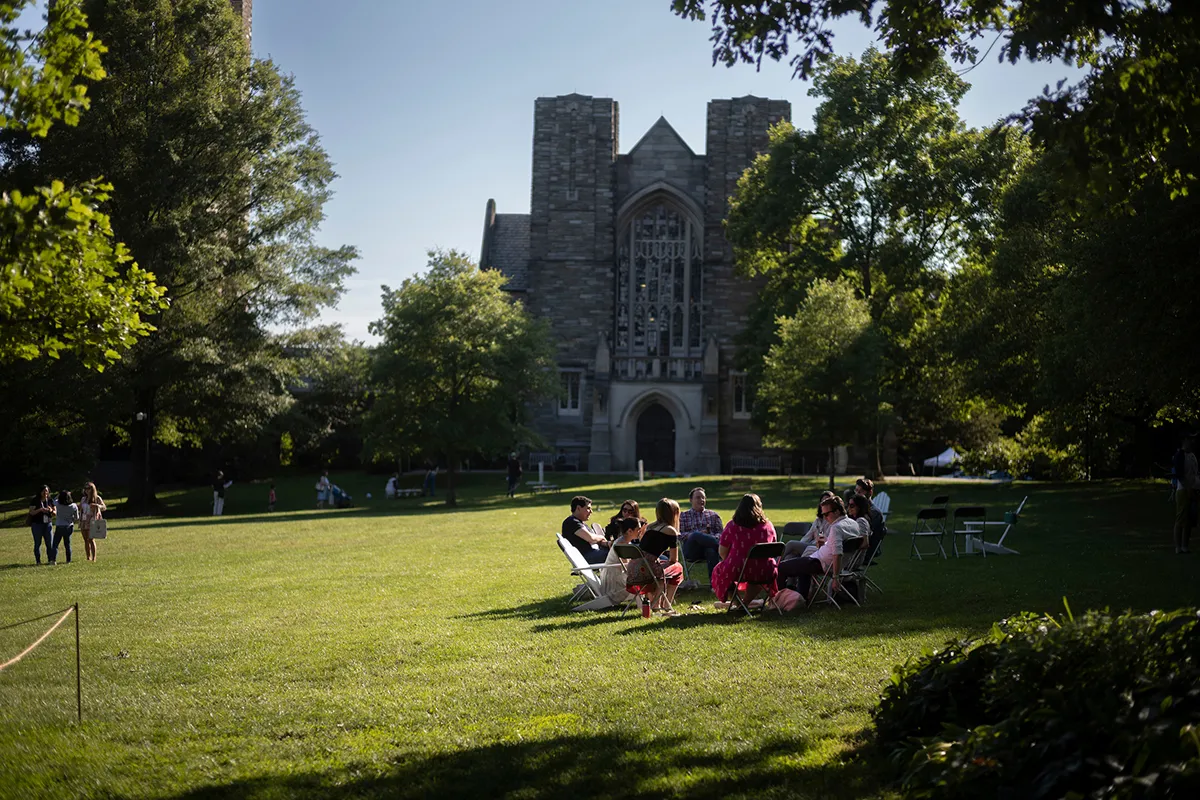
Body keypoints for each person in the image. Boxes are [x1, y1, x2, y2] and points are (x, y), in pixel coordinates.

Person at [778, 495, 858, 600]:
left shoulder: (836, 528)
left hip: (821, 563)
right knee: (801, 564)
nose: (824, 517)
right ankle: (801, 597)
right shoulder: (853, 524)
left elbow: (837, 554)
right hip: (820, 559)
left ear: (837, 512)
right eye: (823, 514)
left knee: (781, 567)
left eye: (827, 514)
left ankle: (779, 599)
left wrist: (836, 577)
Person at [710, 493, 778, 608]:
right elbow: (774, 547)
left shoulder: (733, 526)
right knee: (757, 576)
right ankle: (745, 603)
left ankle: (739, 603)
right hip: (766, 569)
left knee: (719, 571)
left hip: (738, 568)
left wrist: (732, 560)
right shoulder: (768, 526)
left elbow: (722, 551)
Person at [631, 498, 685, 616]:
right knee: (678, 568)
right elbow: (673, 559)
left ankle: (658, 604)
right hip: (649, 569)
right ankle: (665, 605)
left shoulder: (650, 527)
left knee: (661, 570)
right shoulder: (670, 530)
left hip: (634, 567)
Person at [678, 486, 723, 584]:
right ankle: (720, 547)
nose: (701, 500)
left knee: (711, 551)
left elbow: (721, 534)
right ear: (691, 500)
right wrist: (695, 535)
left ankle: (714, 585)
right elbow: (679, 535)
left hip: (710, 549)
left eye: (703, 498)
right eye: (698, 497)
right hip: (692, 550)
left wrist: (711, 538)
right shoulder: (683, 516)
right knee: (696, 535)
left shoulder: (713, 515)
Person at [599, 516, 643, 607]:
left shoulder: (625, 541)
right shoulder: (622, 544)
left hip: (617, 573)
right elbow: (627, 567)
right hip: (614, 581)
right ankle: (644, 606)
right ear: (629, 531)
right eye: (638, 529)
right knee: (643, 579)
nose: (640, 532)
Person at [561, 495, 609, 564]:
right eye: (588, 508)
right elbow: (591, 538)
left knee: (616, 552)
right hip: (586, 557)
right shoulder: (572, 522)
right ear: (578, 508)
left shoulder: (579, 522)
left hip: (591, 554)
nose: (591, 511)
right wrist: (601, 537)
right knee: (616, 554)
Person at [1174, 434, 1198, 554]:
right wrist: (1188, 488)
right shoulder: (1180, 455)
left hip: (1193, 488)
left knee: (1190, 519)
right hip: (1183, 489)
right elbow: (1179, 475)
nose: (1192, 442)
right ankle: (1178, 546)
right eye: (1189, 439)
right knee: (1181, 518)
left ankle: (1185, 545)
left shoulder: (1192, 456)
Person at [79, 482, 106, 562]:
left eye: (89, 488)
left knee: (91, 539)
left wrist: (97, 506)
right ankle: (88, 557)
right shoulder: (83, 499)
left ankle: (94, 558)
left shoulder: (97, 498)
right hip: (83, 520)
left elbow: (104, 507)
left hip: (92, 520)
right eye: (86, 488)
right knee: (85, 540)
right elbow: (81, 507)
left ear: (92, 489)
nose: (87, 490)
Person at [28, 485, 54, 565]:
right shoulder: (35, 500)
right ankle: (38, 561)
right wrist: (40, 510)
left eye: (46, 491)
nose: (45, 493)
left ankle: (50, 560)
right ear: (40, 492)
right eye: (43, 491)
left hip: (48, 524)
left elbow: (55, 512)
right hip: (37, 524)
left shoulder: (50, 500)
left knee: (49, 543)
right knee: (37, 543)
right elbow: (31, 512)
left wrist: (51, 510)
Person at [52, 490, 80, 564]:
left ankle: (53, 560)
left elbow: (53, 500)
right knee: (67, 544)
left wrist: (58, 495)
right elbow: (77, 518)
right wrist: (72, 519)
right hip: (69, 526)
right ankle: (68, 560)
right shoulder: (73, 506)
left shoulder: (58, 504)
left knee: (55, 544)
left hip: (59, 525)